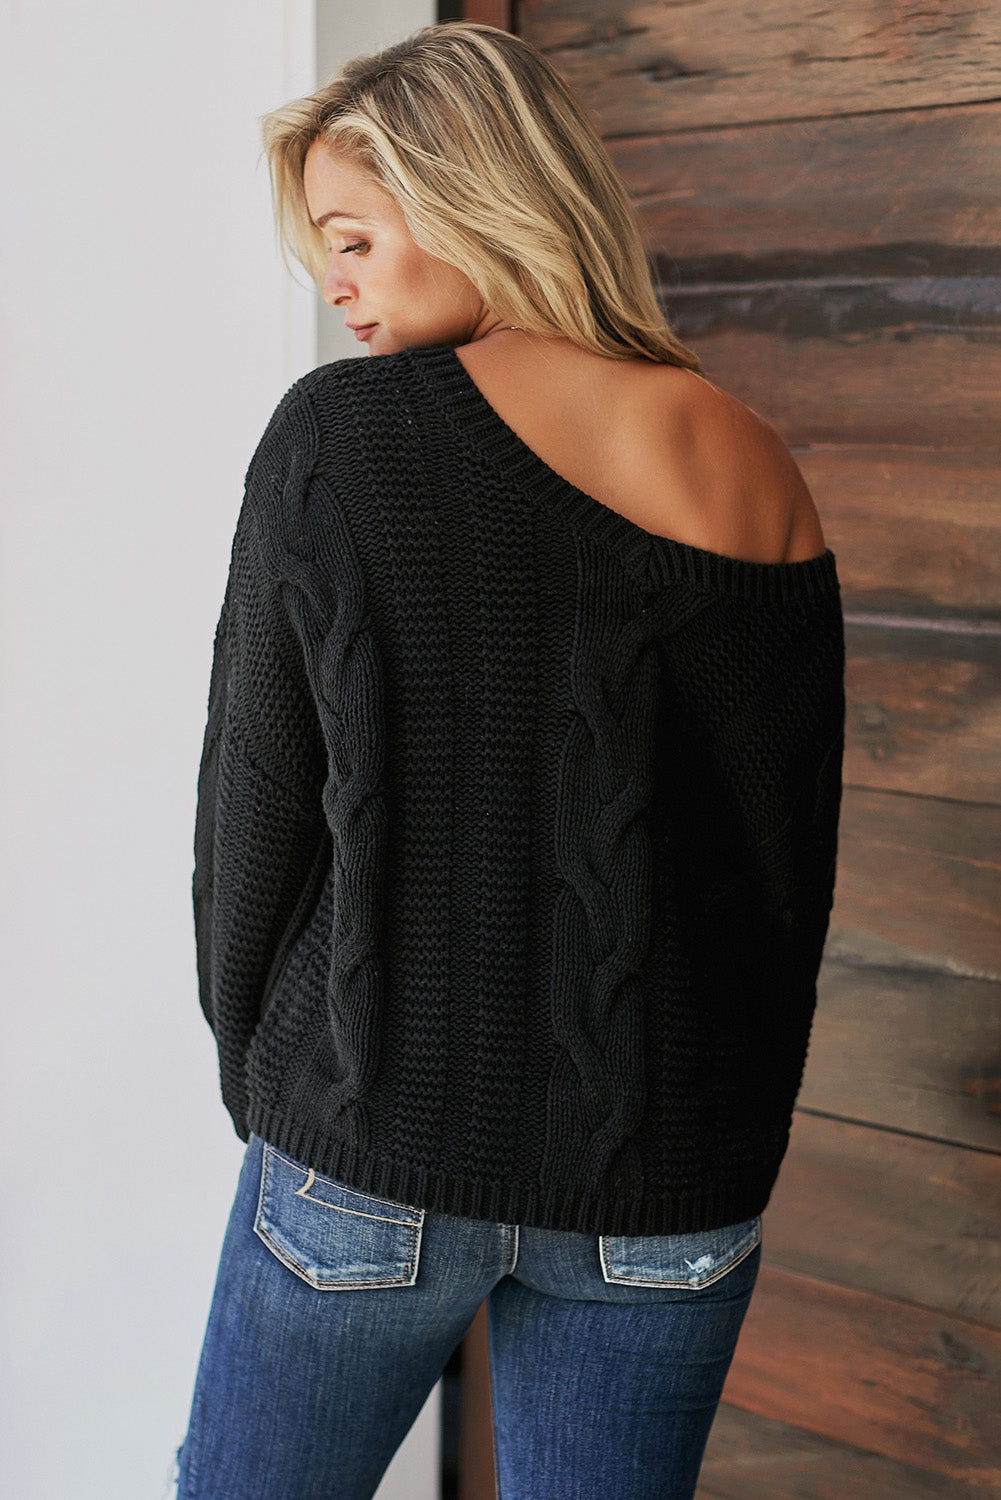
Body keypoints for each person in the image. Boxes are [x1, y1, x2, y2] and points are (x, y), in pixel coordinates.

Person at [176, 20, 845, 1500]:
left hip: (373, 1146)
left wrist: (273, 1090)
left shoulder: (337, 437)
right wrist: (722, 1138)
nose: (336, 284)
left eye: (354, 238)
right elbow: (785, 871)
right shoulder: (749, 458)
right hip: (672, 1179)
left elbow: (253, 821)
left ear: (472, 199)